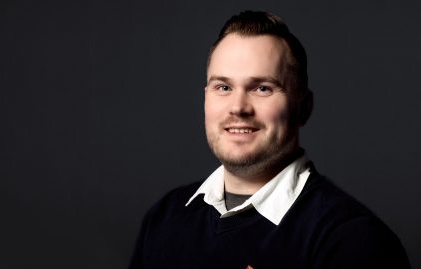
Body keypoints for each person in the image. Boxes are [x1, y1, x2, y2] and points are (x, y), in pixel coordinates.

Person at [128, 10, 410, 269]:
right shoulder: (166, 217)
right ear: (205, 98)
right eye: (223, 87)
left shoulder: (352, 240)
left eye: (262, 88)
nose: (238, 107)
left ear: (303, 108)